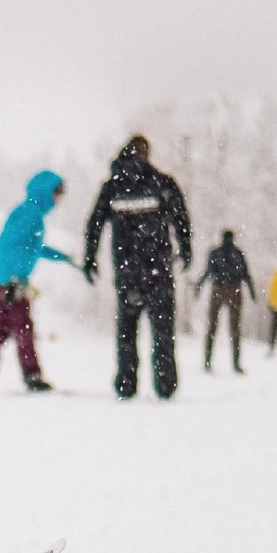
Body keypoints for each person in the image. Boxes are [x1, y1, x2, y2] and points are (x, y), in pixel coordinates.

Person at [82, 135, 192, 400]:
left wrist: (90, 257)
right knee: (162, 331)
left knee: (127, 330)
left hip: (127, 271)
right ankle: (165, 383)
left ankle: (126, 382)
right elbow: (181, 219)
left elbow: (94, 224)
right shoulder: (162, 183)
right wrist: (185, 248)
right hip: (159, 270)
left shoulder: (112, 187)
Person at [0, 171, 80, 391]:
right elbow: (13, 246)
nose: (59, 199)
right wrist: (15, 279)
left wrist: (62, 257)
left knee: (3, 327)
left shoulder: (29, 212)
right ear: (46, 192)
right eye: (58, 193)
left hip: (0, 277)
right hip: (8, 280)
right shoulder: (30, 214)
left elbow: (33, 247)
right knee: (23, 326)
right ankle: (32, 376)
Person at [193, 230, 256, 373]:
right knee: (235, 328)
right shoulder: (238, 254)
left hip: (218, 289)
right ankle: (235, 363)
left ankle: (208, 361)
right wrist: (252, 292)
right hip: (235, 290)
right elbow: (246, 274)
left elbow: (208, 271)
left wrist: (199, 286)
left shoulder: (216, 253)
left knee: (212, 326)